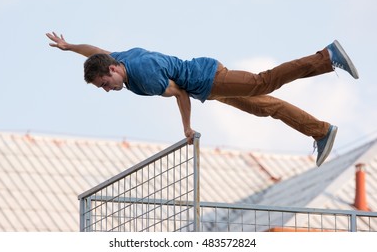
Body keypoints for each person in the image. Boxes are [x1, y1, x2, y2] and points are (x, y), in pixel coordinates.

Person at [46, 32, 359, 167]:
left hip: (207, 80)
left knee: (265, 81)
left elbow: (179, 93)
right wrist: (70, 46)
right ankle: (320, 131)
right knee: (267, 108)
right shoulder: (118, 60)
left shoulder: (143, 77)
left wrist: (187, 127)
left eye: (105, 83)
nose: (107, 89)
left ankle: (326, 57)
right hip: (208, 82)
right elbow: (94, 51)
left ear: (113, 70)